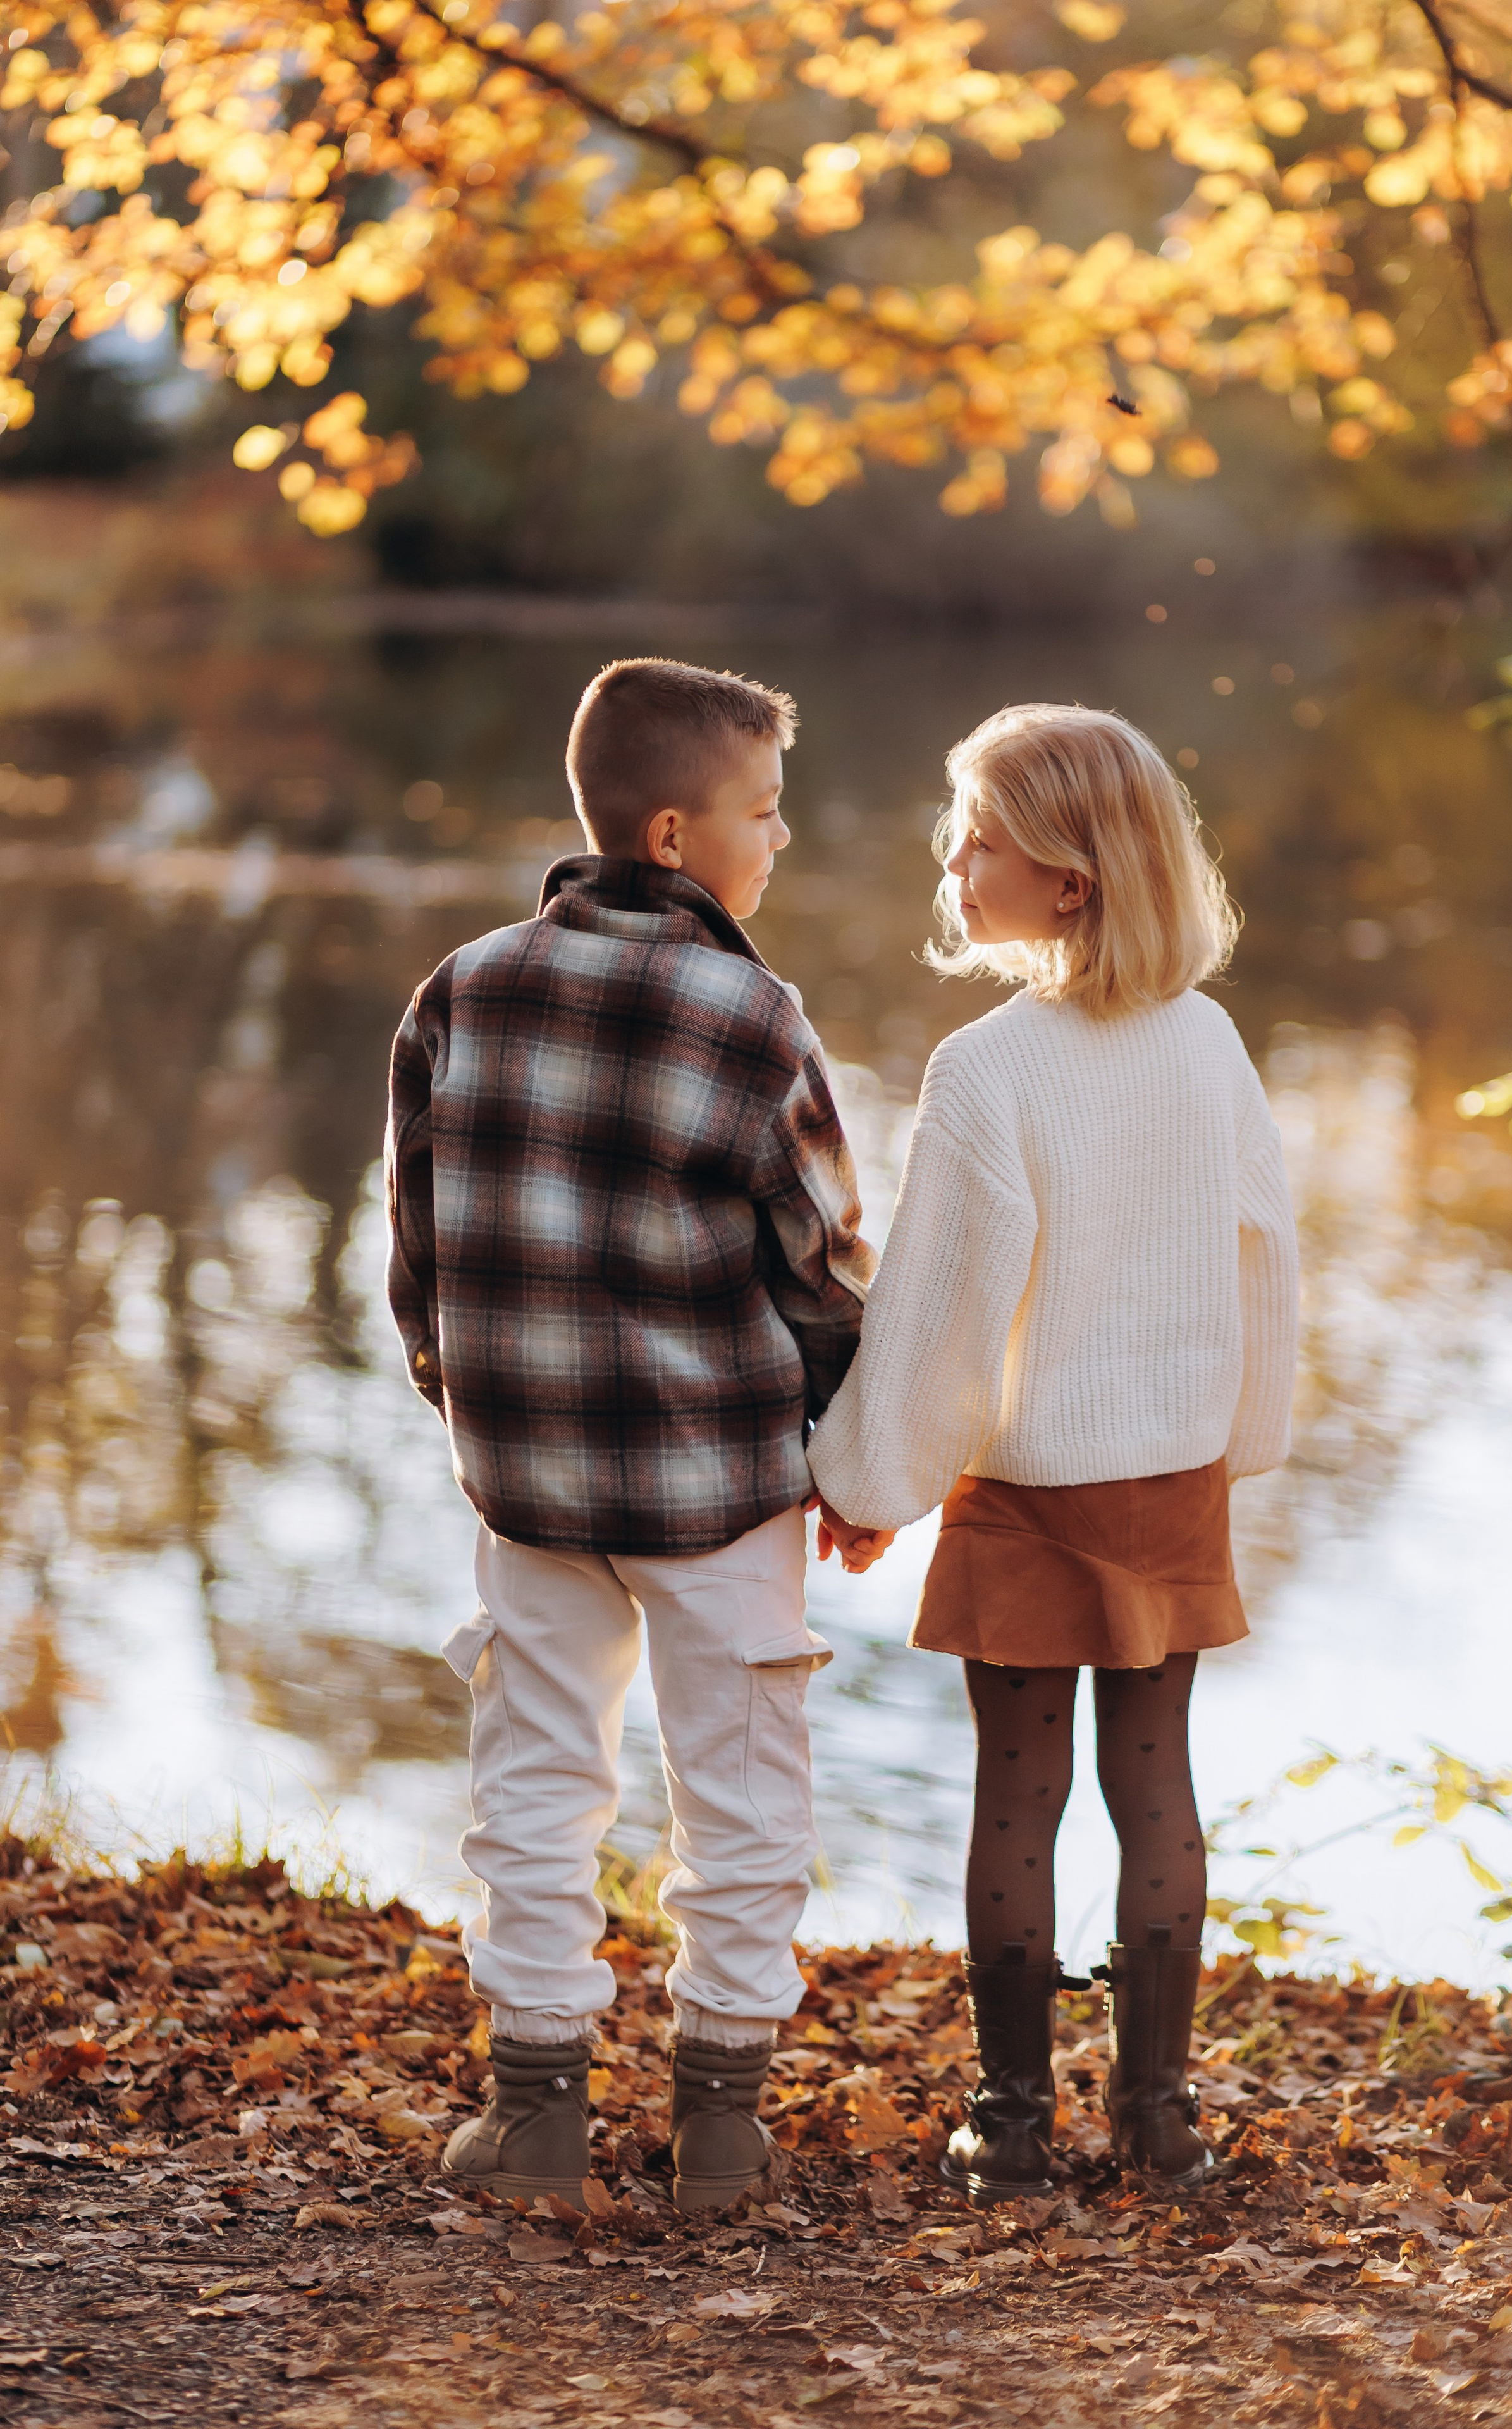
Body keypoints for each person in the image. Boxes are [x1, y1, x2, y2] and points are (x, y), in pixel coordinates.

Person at [385, 658, 876, 2213]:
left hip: (527, 1476)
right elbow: (821, 1262)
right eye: (764, 812)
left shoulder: (461, 987)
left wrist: (466, 1396)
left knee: (533, 1780)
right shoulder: (750, 1015)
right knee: (739, 1785)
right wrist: (846, 1452)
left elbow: (418, 1244)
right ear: (676, 833)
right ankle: (719, 2125)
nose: (779, 840)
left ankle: (534, 2121)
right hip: (713, 1480)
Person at [809, 703, 1298, 2201]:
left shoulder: (985, 1071)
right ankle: (1157, 2121)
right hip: (1167, 1473)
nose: (950, 863)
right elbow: (1265, 1255)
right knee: (1155, 1782)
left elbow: (941, 1318)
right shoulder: (1207, 1044)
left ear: (1066, 881)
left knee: (1014, 1795)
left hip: (1025, 1488)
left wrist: (863, 1481)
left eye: (977, 839)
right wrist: (1241, 1444)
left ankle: (1008, 2124)